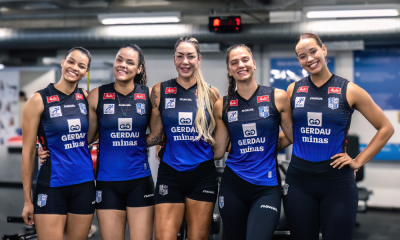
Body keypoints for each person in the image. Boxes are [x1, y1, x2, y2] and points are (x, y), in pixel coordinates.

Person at [281, 33, 395, 240]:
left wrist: (358, 160)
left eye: (313, 51)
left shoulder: (349, 90)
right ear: (298, 60)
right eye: (302, 56)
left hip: (337, 183)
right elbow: (289, 134)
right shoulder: (293, 90)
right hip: (299, 180)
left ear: (323, 50)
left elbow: (386, 128)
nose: (309, 59)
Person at [39, 44, 154, 240]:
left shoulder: (149, 95)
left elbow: (160, 132)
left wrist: (134, 141)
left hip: (140, 180)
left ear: (139, 68)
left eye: (130, 62)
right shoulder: (96, 95)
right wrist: (43, 148)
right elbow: (85, 137)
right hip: (106, 182)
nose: (123, 65)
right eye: (119, 59)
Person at [212, 44, 293, 240]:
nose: (241, 65)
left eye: (245, 60)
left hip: (266, 186)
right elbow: (219, 151)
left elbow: (292, 136)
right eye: (234, 62)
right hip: (233, 186)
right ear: (229, 70)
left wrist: (271, 145)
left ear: (254, 64)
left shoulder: (278, 97)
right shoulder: (222, 105)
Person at [146, 36, 219, 240]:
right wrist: (113, 141)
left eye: (190, 56)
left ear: (199, 59)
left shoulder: (212, 93)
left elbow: (219, 136)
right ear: (174, 59)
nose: (185, 61)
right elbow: (156, 135)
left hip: (202, 174)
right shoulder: (160, 91)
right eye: (180, 56)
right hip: (171, 173)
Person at [21, 47, 95, 240]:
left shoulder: (86, 98)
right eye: (71, 61)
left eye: (81, 66)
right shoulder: (39, 100)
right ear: (63, 62)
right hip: (52, 185)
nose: (74, 68)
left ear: (86, 72)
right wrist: (28, 200)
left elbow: (95, 134)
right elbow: (28, 152)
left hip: (84, 184)